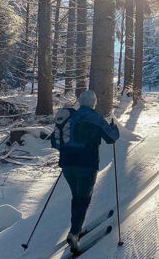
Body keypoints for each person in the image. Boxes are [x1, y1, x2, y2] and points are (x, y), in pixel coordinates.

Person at [51, 90, 120, 251]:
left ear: (80, 102)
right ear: (93, 103)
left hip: (67, 164)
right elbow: (112, 138)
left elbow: (55, 142)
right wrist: (113, 127)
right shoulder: (95, 118)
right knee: (83, 199)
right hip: (86, 165)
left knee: (76, 197)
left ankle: (77, 226)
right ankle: (74, 233)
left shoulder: (70, 116)